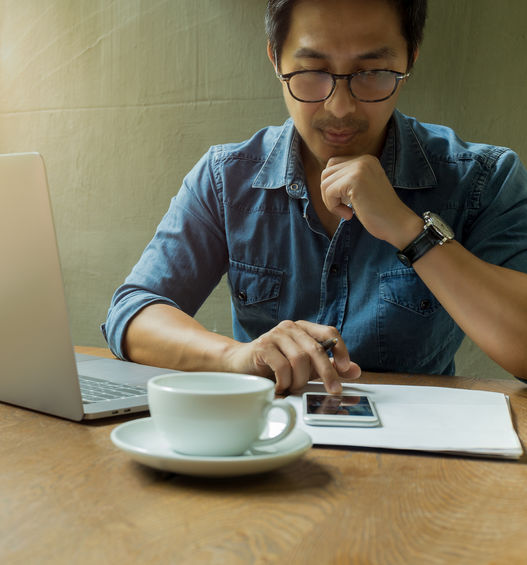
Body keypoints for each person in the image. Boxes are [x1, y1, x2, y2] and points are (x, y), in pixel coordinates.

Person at [102, 0, 527, 395]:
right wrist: (238, 357)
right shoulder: (225, 178)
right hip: (264, 444)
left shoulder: (482, 179)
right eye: (311, 72)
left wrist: (408, 230)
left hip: (421, 459)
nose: (340, 108)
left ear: (410, 58)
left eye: (373, 72)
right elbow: (133, 313)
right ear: (276, 60)